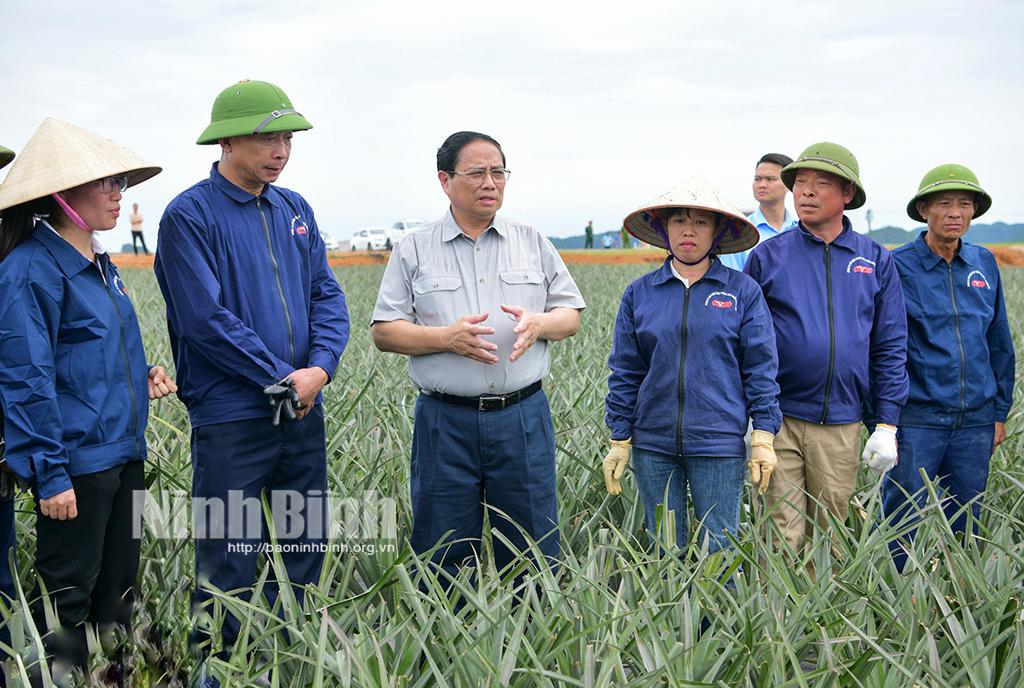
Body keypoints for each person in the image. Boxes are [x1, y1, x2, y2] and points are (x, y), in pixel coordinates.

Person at [154, 80, 350, 677]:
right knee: (229, 552)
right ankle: (217, 669)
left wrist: (319, 369)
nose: (281, 150)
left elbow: (326, 295)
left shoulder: (295, 210)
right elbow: (203, 320)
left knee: (302, 545)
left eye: (288, 138)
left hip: (301, 410)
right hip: (232, 416)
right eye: (268, 137)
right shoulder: (189, 215)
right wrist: (283, 379)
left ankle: (288, 662)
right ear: (227, 140)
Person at [0, 118, 173, 680]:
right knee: (67, 604)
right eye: (105, 184)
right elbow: (26, 378)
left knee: (119, 593)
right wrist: (49, 473)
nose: (118, 194)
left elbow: (88, 353)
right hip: (75, 464)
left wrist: (139, 374)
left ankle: (114, 678)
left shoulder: (104, 265)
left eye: (122, 183)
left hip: (123, 451)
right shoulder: (29, 270)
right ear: (60, 196)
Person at [371, 131, 585, 583]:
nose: (491, 182)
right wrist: (445, 338)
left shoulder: (532, 241)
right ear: (445, 180)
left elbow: (570, 315)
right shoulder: (414, 248)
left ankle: (533, 642)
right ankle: (449, 643)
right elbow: (385, 332)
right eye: (477, 173)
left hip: (522, 417)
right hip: (446, 421)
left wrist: (540, 324)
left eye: (498, 172)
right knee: (444, 550)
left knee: (532, 550)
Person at [744, 142, 909, 555]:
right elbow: (745, 342)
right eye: (800, 183)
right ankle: (775, 618)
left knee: (830, 532)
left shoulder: (873, 260)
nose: (806, 192)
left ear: (848, 194)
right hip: (779, 417)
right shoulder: (769, 256)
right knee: (779, 531)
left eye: (821, 183)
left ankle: (820, 619)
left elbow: (889, 345)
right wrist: (750, 416)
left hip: (842, 421)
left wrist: (887, 424)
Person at [602, 176, 780, 554]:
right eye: (679, 220)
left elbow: (760, 367)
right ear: (664, 229)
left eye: (700, 222)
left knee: (719, 548)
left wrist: (763, 435)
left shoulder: (741, 291)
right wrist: (620, 437)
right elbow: (626, 371)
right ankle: (670, 616)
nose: (688, 230)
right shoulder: (641, 293)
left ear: (716, 232)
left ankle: (715, 617)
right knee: (665, 548)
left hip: (718, 440)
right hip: (653, 441)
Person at [884, 164, 1014, 571]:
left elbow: (999, 340)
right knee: (900, 520)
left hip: (975, 421)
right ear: (924, 210)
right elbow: (883, 346)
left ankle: (959, 599)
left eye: (964, 204)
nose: (955, 212)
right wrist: (884, 419)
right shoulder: (899, 266)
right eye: (944, 203)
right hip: (917, 419)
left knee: (967, 521)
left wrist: (998, 412)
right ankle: (895, 599)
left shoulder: (983, 263)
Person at [719, 153, 798, 271]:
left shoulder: (800, 230)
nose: (762, 185)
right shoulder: (738, 233)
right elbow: (733, 282)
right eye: (757, 179)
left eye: (770, 179)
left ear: (788, 184)